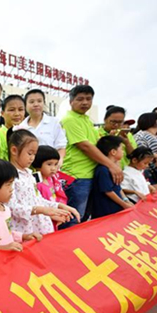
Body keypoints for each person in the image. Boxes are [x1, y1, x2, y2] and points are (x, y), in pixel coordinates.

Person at [59, 85, 122, 228]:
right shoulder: (70, 119)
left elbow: (95, 144)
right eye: (80, 99)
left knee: (84, 217)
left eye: (88, 99)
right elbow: (85, 146)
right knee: (73, 219)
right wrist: (111, 165)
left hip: (90, 174)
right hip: (77, 176)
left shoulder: (86, 119)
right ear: (71, 101)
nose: (85, 102)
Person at [7, 129, 78, 237]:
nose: (32, 158)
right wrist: (42, 210)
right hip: (25, 232)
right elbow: (12, 207)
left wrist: (59, 206)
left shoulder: (29, 174)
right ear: (14, 150)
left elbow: (38, 199)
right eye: (29, 153)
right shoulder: (10, 176)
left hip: (40, 227)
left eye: (34, 154)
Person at [0, 159, 41, 250]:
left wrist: (23, 236)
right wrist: (2, 248)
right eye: (8, 184)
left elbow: (7, 232)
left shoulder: (5, 209)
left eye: (12, 184)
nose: (11, 189)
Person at [16, 89, 67, 162]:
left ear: (44, 103)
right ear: (25, 105)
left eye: (39, 101)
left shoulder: (54, 123)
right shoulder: (21, 127)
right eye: (31, 102)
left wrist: (58, 162)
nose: (36, 104)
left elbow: (61, 147)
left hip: (50, 166)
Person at [92, 136, 134, 219]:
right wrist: (124, 204)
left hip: (117, 207)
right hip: (106, 211)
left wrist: (126, 200)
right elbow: (108, 191)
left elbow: (118, 186)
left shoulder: (114, 169)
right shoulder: (103, 170)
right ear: (113, 152)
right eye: (121, 149)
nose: (123, 152)